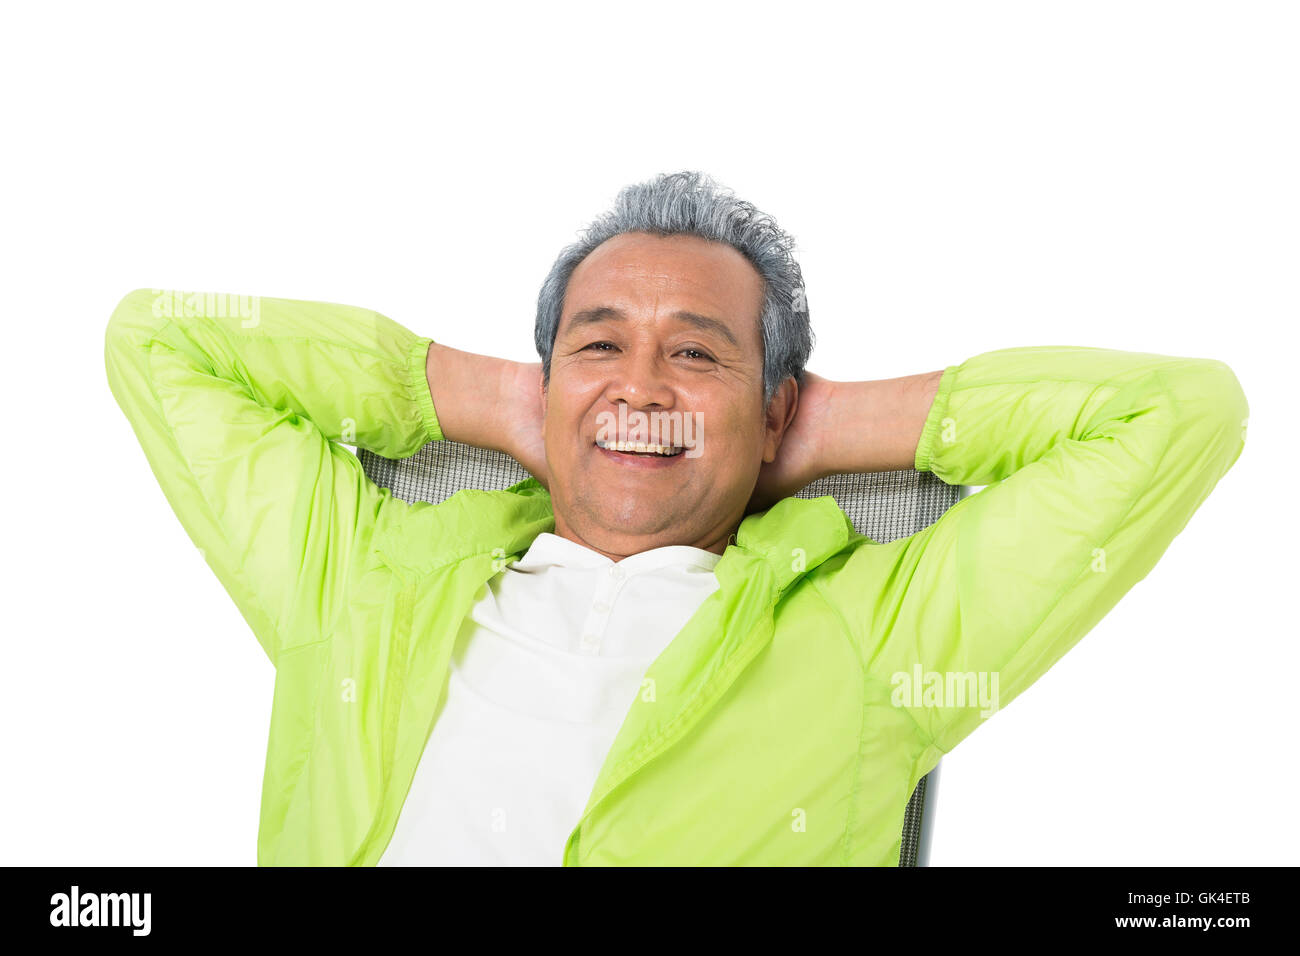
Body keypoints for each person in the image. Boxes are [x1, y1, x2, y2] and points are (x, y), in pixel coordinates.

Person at [104, 170, 1248, 866]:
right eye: (598, 344)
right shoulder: (352, 575)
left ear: (775, 404)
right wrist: (496, 397)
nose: (640, 386)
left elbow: (1181, 413)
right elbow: (157, 339)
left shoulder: (873, 641)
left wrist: (813, 428)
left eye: (695, 353)